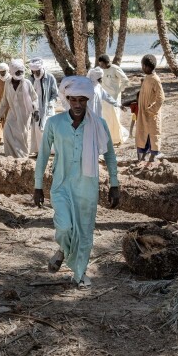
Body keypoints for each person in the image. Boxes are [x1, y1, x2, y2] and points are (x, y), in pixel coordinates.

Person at [33, 76, 121, 289]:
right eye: (74, 100)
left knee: (84, 232)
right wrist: (38, 186)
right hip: (61, 185)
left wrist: (114, 184)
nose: (78, 104)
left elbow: (110, 155)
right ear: (68, 99)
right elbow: (43, 155)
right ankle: (63, 249)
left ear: (88, 100)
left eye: (82, 100)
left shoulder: (98, 124)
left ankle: (79, 274)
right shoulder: (54, 123)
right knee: (64, 227)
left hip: (87, 187)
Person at [0, 59, 38, 158]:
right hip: (12, 113)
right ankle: (10, 156)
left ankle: (22, 156)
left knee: (22, 136)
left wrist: (36, 110)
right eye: (18, 72)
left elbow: (34, 98)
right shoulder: (7, 83)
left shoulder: (27, 83)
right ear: (12, 71)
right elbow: (4, 100)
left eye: (21, 71)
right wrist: (0, 114)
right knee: (7, 133)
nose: (20, 74)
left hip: (25, 114)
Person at [136, 54, 165, 164]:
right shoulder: (146, 78)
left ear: (146, 66)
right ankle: (143, 157)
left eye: (142, 66)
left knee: (153, 135)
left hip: (151, 114)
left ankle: (152, 158)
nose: (142, 68)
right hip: (143, 113)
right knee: (143, 135)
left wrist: (151, 109)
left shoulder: (155, 80)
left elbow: (161, 97)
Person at [97, 54, 130, 145]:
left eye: (102, 64)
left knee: (115, 117)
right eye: (100, 64)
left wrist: (118, 91)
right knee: (106, 118)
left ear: (107, 62)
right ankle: (109, 138)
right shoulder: (101, 70)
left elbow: (126, 81)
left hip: (114, 98)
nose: (101, 66)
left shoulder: (115, 69)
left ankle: (118, 138)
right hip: (104, 98)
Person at [28, 57, 58, 155]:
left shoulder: (50, 77)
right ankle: (39, 151)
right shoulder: (31, 79)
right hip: (35, 108)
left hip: (47, 108)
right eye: (34, 71)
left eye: (37, 71)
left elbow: (55, 94)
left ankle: (50, 151)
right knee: (36, 130)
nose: (36, 73)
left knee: (47, 129)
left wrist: (50, 104)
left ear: (42, 69)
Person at [86, 67, 123, 142]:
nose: (101, 80)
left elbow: (107, 97)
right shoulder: (87, 87)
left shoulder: (98, 87)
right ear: (95, 77)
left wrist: (117, 104)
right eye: (99, 78)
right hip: (88, 114)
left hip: (97, 114)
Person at [0, 62, 10, 144]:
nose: (2, 73)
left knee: (8, 122)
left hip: (9, 105)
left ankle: (8, 139)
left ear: (7, 70)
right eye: (0, 72)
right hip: (0, 104)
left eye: (3, 71)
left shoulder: (11, 80)